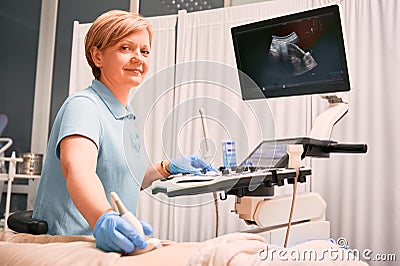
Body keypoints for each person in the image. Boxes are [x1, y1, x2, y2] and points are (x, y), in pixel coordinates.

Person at [33, 10, 216, 254]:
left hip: (113, 247)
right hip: (72, 245)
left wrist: (166, 167)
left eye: (144, 51)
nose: (138, 58)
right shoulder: (84, 106)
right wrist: (103, 218)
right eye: (126, 48)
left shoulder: (125, 117)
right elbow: (77, 169)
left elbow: (126, 181)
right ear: (97, 56)